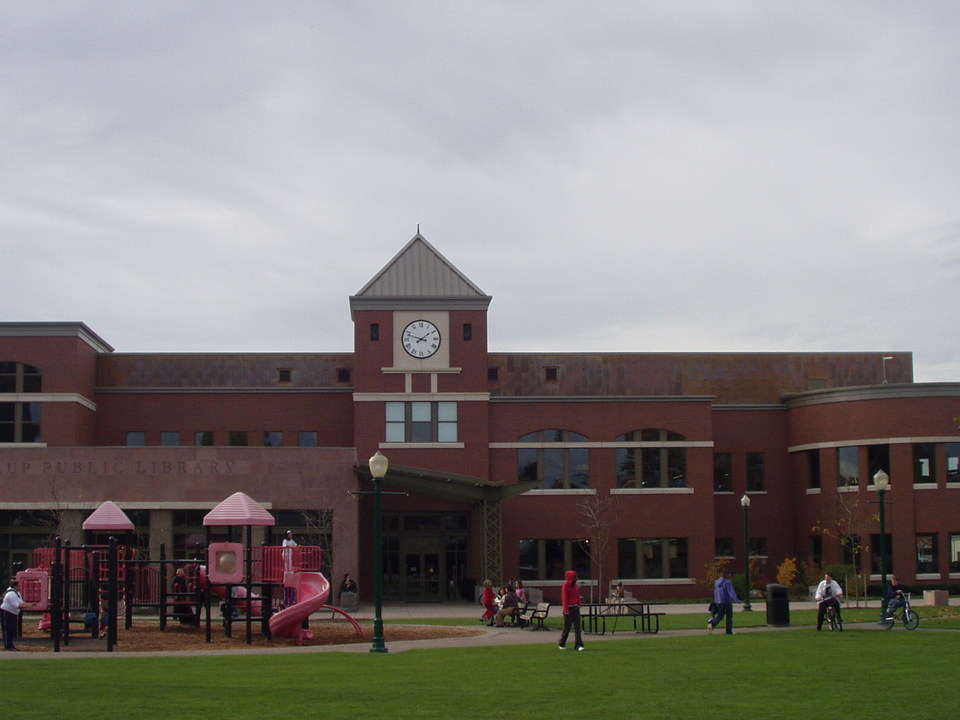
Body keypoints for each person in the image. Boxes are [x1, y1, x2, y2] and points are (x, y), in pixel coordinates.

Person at [707, 568, 741, 635]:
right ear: (727, 574)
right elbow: (731, 592)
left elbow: (715, 592)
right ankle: (729, 631)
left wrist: (716, 600)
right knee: (729, 617)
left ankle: (712, 624)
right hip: (727, 602)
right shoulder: (728, 582)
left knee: (720, 616)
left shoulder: (717, 582)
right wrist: (736, 600)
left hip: (718, 601)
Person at [558, 570, 584, 651]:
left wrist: (579, 604)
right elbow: (564, 599)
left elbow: (577, 596)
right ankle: (562, 643)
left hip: (575, 608)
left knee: (577, 627)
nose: (577, 578)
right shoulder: (565, 586)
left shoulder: (575, 586)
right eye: (575, 577)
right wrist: (566, 611)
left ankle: (578, 645)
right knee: (567, 628)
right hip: (568, 609)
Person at [1, 579, 23, 650]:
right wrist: (29, 606)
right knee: (7, 629)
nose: (20, 587)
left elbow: (21, 602)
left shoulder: (17, 593)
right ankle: (8, 646)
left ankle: (10, 645)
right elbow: (16, 605)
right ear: (15, 586)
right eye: (19, 586)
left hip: (12, 613)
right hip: (7, 612)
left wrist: (29, 605)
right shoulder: (11, 594)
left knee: (10, 629)